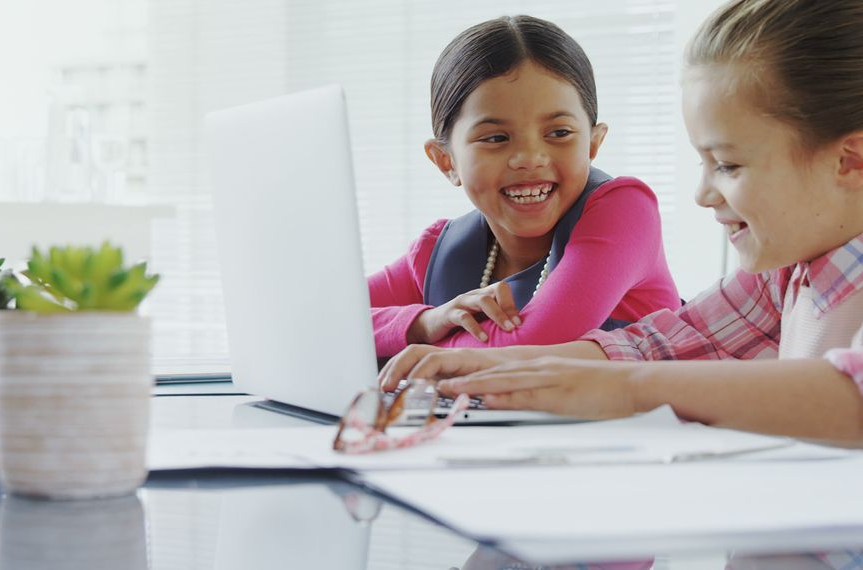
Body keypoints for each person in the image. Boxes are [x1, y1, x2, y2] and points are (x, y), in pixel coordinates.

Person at [379, 0, 863, 442]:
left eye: (729, 165)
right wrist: (472, 359)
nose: (702, 194)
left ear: (850, 160)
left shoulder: (622, 207)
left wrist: (627, 388)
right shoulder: (780, 277)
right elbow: (659, 345)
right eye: (704, 162)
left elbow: (851, 392)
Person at [369, 16, 680, 359]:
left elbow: (539, 342)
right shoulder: (435, 253)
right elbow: (320, 320)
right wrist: (422, 323)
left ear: (593, 143)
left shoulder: (624, 211)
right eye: (496, 138)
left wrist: (418, 347)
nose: (530, 158)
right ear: (446, 161)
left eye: (559, 133)